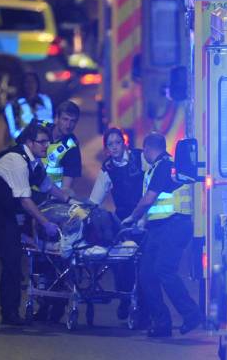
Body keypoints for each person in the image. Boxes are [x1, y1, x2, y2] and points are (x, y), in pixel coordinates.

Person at [0, 122, 72, 329]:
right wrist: (45, 223)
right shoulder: (17, 161)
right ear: (29, 142)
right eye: (41, 142)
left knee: (12, 259)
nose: (45, 146)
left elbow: (48, 187)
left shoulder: (34, 163)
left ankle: (10, 312)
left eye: (47, 142)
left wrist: (70, 201)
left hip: (2, 211)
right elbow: (25, 200)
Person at [122, 133, 201, 337]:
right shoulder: (155, 169)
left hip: (174, 224)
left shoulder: (165, 166)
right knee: (147, 274)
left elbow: (148, 200)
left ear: (148, 149)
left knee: (164, 270)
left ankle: (192, 314)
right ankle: (161, 323)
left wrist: (132, 217)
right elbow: (155, 205)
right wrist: (143, 223)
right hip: (159, 228)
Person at [32, 100, 81, 323]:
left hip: (52, 205)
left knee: (54, 255)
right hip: (28, 199)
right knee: (35, 255)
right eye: (65, 119)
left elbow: (67, 186)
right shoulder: (38, 129)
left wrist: (58, 206)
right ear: (57, 117)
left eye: (73, 121)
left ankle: (55, 305)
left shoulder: (71, 147)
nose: (68, 125)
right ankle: (42, 301)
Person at [89, 127, 144, 320]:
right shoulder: (108, 169)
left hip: (145, 218)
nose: (114, 147)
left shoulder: (140, 158)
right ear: (106, 148)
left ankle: (143, 308)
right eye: (110, 144)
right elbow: (95, 199)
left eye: (117, 142)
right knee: (122, 263)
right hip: (123, 221)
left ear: (124, 143)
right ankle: (125, 299)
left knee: (144, 266)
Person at [3, 72, 53, 146]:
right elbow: (13, 132)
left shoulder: (45, 100)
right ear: (22, 85)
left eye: (33, 82)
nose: (30, 85)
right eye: (27, 82)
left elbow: (50, 122)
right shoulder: (13, 105)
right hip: (21, 145)